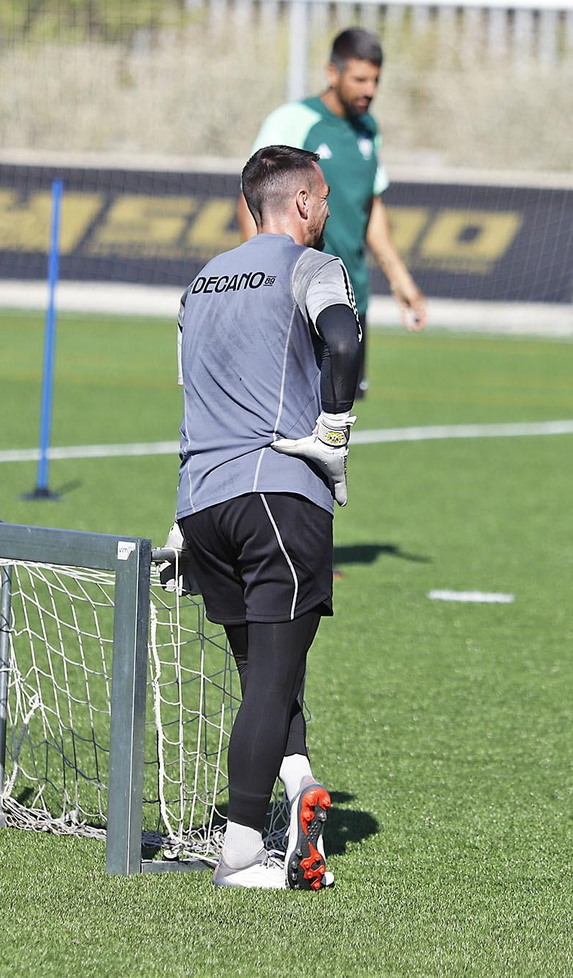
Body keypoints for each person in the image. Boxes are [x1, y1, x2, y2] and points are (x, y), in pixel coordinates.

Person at [174, 144, 362, 890]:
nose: (326, 213)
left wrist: (178, 519)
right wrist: (334, 434)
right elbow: (344, 340)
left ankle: (298, 785)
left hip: (203, 504)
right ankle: (243, 853)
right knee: (270, 678)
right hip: (279, 494)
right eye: (322, 200)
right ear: (302, 204)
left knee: (264, 674)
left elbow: (188, 401)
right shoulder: (312, 267)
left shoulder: (198, 283)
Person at [237, 27, 427, 398]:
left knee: (338, 421)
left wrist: (400, 279)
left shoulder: (369, 130)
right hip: (295, 294)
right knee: (287, 411)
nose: (369, 90)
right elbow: (251, 196)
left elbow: (369, 207)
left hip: (349, 295)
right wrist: (258, 275)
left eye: (375, 80)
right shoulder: (295, 120)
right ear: (332, 73)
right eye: (360, 79)